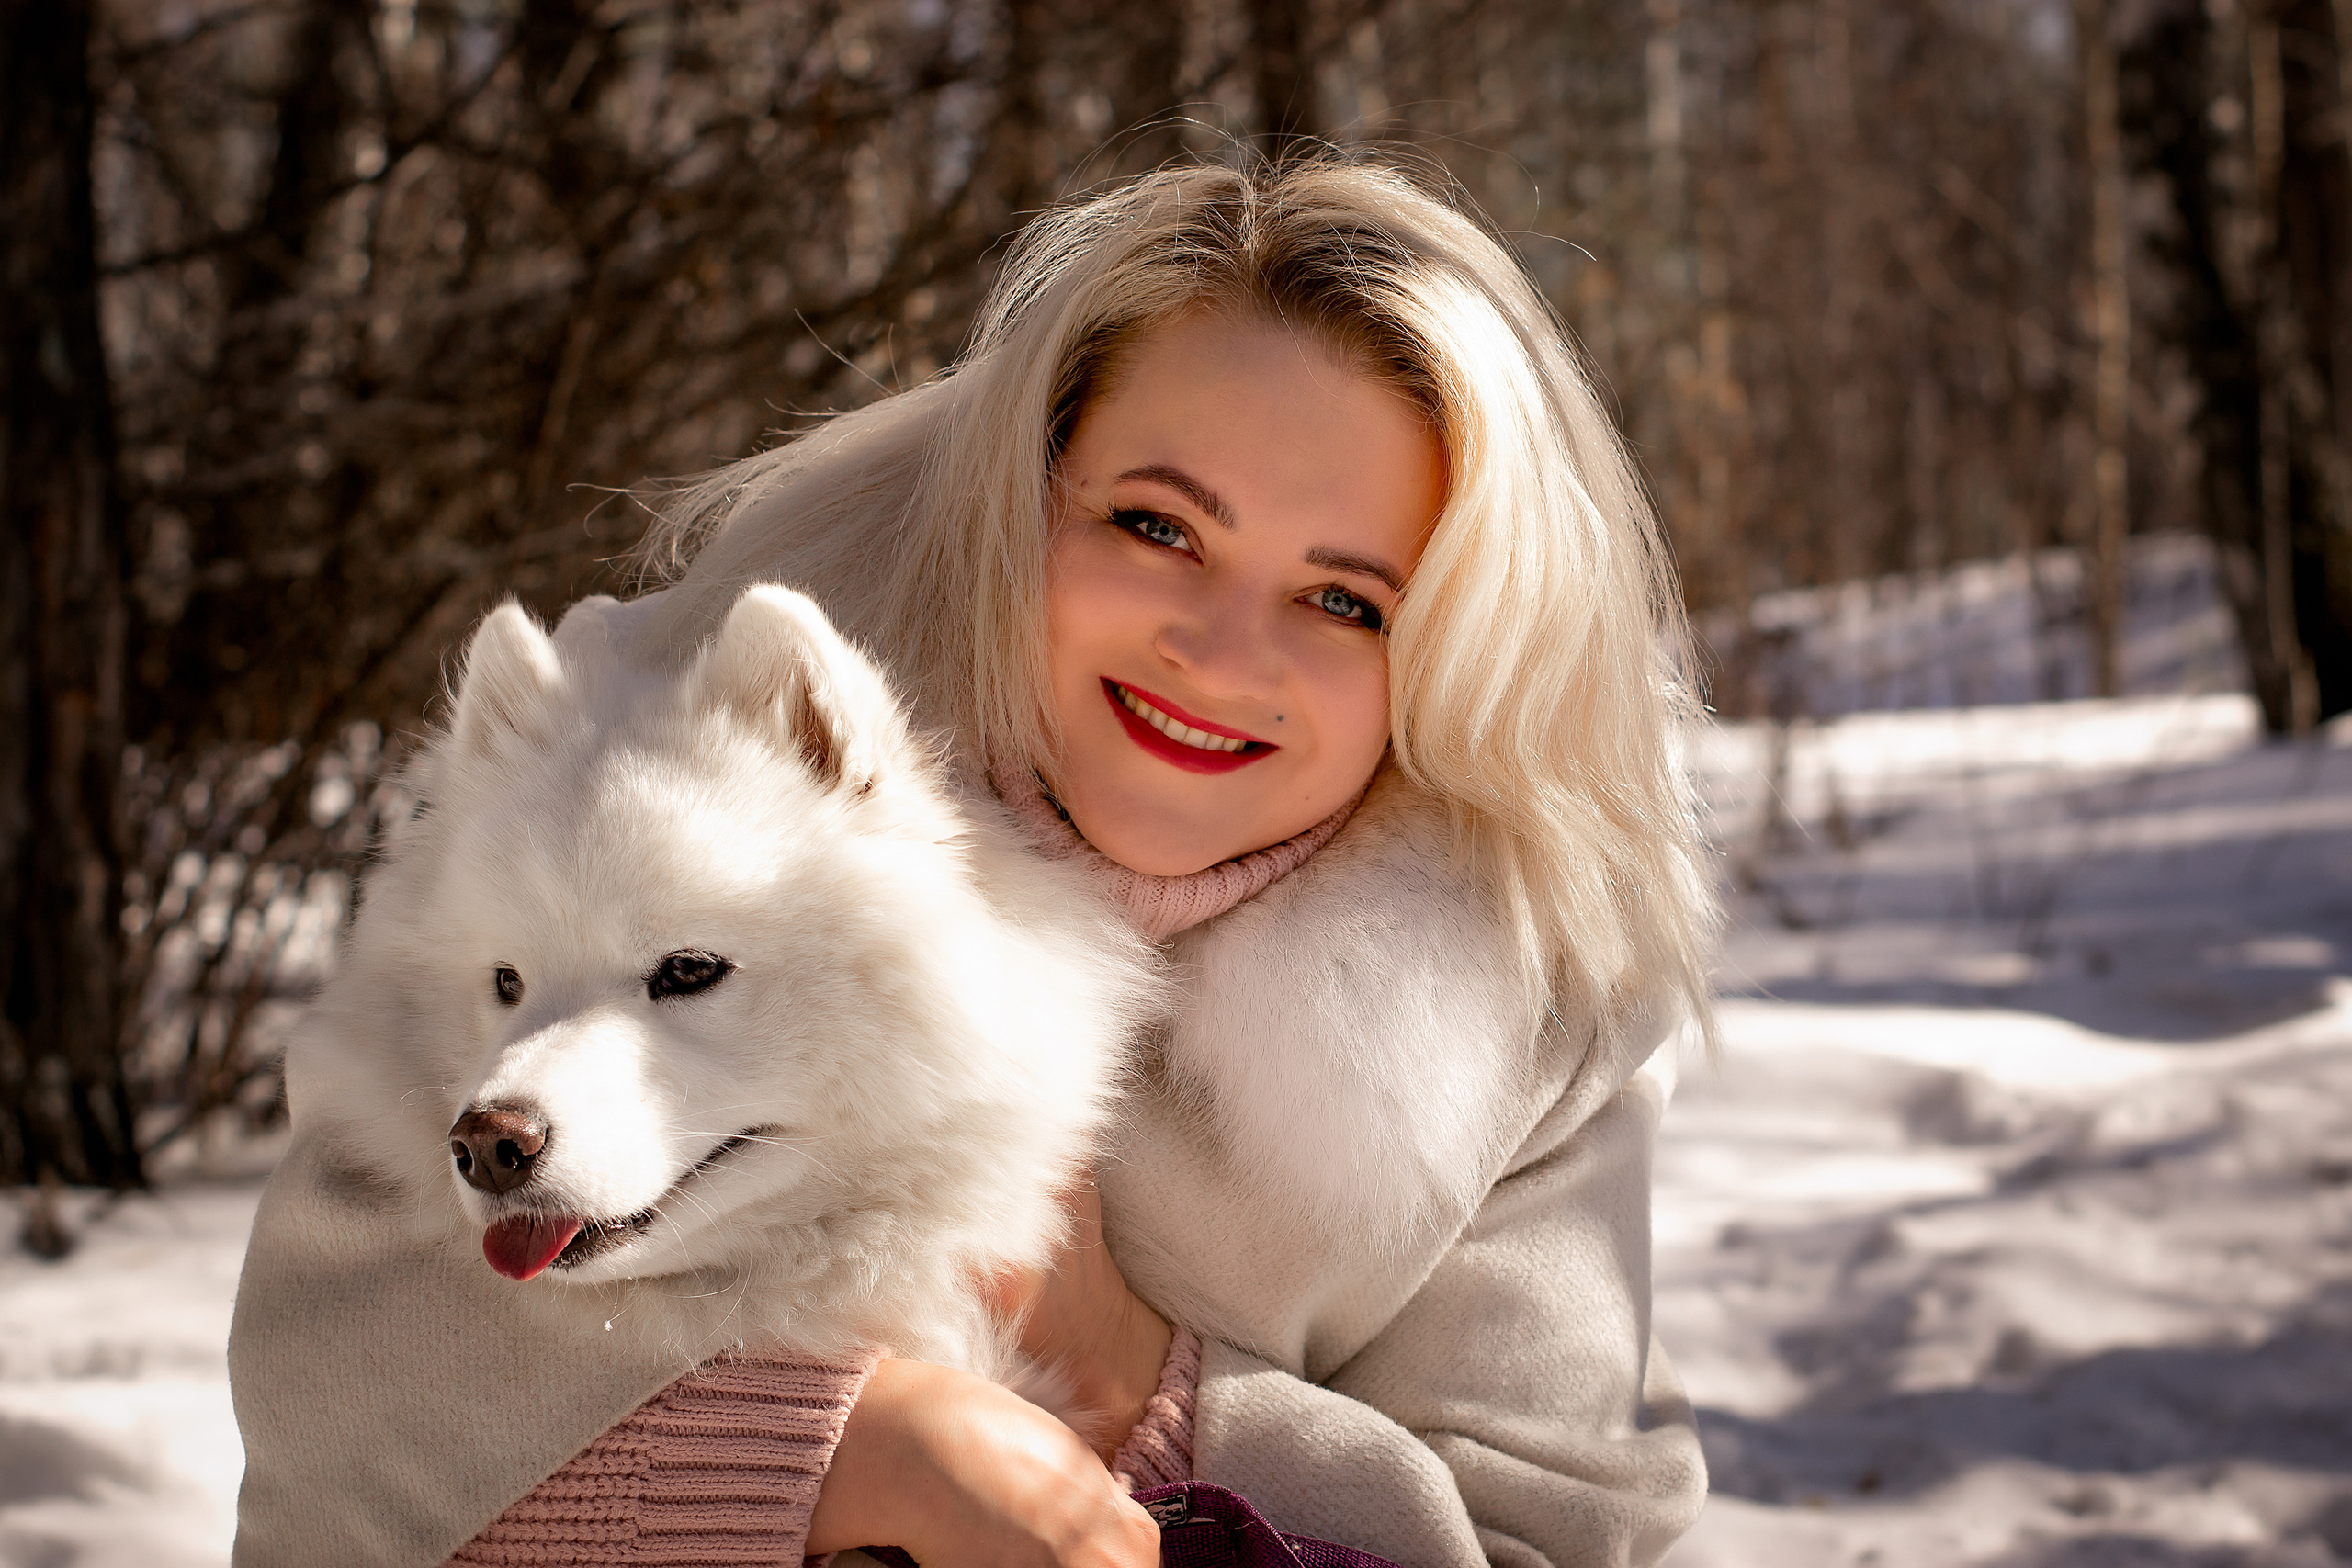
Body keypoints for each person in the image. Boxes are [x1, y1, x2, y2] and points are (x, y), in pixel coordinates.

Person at [457, 152, 1717, 1566]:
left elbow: (1539, 1542)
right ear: (1029, 490)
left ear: (1450, 653)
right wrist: (848, 1458)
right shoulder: (643, 754)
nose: (1220, 653)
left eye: (1345, 601)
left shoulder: (1530, 1002)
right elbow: (348, 1392)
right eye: (1156, 525)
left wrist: (1128, 1382)